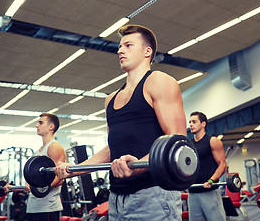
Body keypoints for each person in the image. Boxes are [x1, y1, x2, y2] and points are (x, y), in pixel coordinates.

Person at [54, 24, 187, 221]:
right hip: (116, 197)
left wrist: (137, 165)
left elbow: (177, 142)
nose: (120, 50)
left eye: (128, 45)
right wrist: (76, 169)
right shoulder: (111, 99)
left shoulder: (159, 81)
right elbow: (112, 149)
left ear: (147, 51)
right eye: (120, 46)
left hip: (153, 194)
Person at [188, 111, 227, 221]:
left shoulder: (212, 141)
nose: (191, 124)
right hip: (193, 192)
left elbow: (222, 165)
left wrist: (211, 180)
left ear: (203, 124)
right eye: (190, 122)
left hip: (209, 191)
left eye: (194, 122)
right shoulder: (189, 144)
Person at [25, 113, 65, 221]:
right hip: (33, 207)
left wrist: (37, 188)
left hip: (47, 208)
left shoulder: (54, 147)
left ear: (51, 127)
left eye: (40, 122)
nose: (36, 125)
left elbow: (60, 177)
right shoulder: (38, 151)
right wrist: (29, 184)